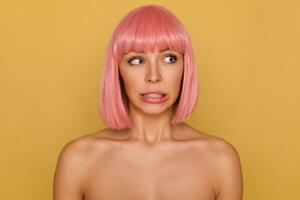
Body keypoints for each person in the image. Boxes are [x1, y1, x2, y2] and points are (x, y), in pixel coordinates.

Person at [53, 4, 243, 200]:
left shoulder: (221, 160)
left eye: (169, 58)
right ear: (117, 70)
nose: (154, 76)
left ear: (185, 67)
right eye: (137, 60)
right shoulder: (78, 160)